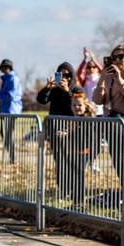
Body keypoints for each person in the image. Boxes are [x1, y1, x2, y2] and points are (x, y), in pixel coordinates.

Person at [92, 44, 124, 208]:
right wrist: (102, 79)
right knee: (119, 161)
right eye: (113, 57)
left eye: (120, 57)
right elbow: (97, 100)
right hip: (114, 122)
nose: (116, 60)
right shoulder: (109, 77)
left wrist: (120, 80)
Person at [36, 62, 82, 198]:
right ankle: (63, 190)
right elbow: (41, 100)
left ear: (72, 76)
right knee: (59, 161)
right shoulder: (54, 89)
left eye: (67, 75)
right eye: (61, 75)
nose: (64, 78)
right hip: (55, 130)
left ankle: (74, 191)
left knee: (72, 161)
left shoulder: (76, 89)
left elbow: (77, 106)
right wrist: (46, 88)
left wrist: (67, 91)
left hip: (72, 130)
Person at [0, 58, 22, 163]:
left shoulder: (13, 79)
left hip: (11, 110)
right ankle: (11, 156)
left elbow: (10, 96)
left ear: (8, 68)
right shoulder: (6, 79)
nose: (2, 70)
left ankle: (12, 157)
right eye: (1, 68)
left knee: (7, 133)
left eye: (4, 68)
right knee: (4, 133)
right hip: (5, 110)